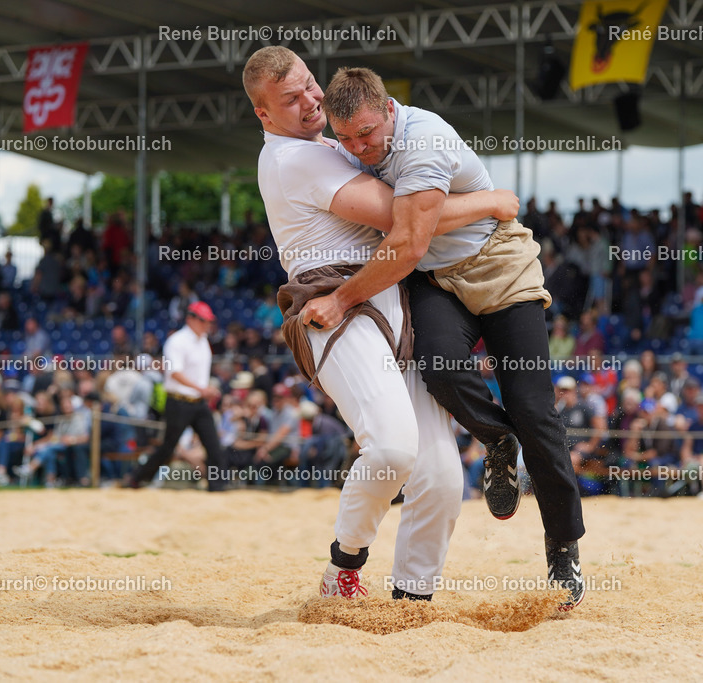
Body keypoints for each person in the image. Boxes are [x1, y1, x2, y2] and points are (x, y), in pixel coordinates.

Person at [244, 47, 515, 602]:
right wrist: (489, 200)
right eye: (290, 99)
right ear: (264, 115)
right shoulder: (293, 158)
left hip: (391, 299)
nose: (310, 101)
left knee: (440, 477)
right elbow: (403, 216)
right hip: (332, 302)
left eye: (310, 86)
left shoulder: (330, 145)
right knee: (391, 449)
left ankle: (411, 603)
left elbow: (411, 216)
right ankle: (342, 569)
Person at [317, 65, 585, 607]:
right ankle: (496, 438)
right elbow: (406, 224)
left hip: (498, 264)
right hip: (438, 281)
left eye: (366, 133)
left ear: (390, 109)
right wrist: (488, 199)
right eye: (344, 137)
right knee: (438, 367)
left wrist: (342, 298)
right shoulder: (346, 147)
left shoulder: (426, 140)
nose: (358, 147)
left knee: (535, 411)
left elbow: (410, 237)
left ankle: (563, 546)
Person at [123, 301, 227, 491]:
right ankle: (136, 478)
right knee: (167, 448)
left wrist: (205, 389)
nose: (207, 325)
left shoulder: (203, 341)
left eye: (208, 321)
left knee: (213, 444)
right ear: (190, 319)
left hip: (197, 401)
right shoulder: (177, 341)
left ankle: (217, 485)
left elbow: (196, 373)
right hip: (178, 402)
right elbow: (174, 373)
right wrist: (202, 389)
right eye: (203, 321)